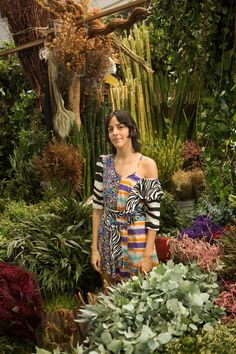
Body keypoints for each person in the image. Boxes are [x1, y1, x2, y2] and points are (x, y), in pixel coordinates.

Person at [91, 110, 163, 282]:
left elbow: (153, 215)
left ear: (131, 130)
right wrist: (94, 248)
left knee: (138, 297)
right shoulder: (103, 163)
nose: (115, 133)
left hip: (137, 239)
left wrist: (146, 256)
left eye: (120, 127)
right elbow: (97, 209)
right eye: (110, 129)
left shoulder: (146, 165)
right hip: (108, 239)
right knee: (111, 297)